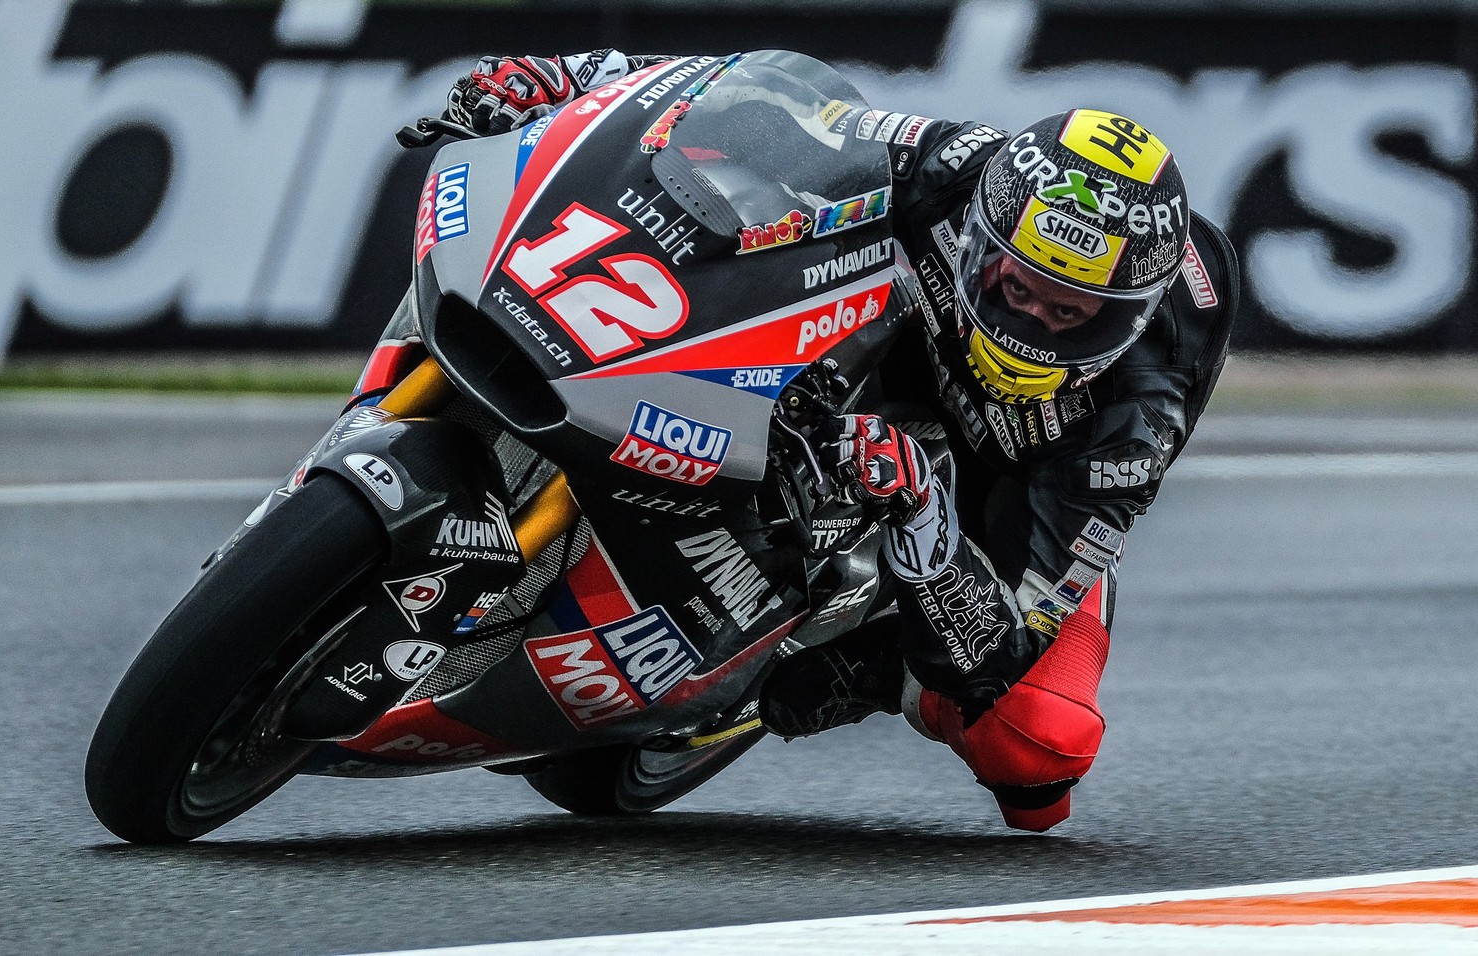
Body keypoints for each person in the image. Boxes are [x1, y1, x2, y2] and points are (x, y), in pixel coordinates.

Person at [441, 51, 1239, 831]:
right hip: (881, 356)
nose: (1029, 326)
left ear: (1127, 318)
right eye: (1016, 286)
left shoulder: (1135, 418)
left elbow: (1002, 646)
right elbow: (755, 107)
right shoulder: (955, 168)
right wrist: (569, 78)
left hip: (1009, 492)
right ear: (985, 230)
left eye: (1070, 314)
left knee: (1037, 750)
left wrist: (924, 511)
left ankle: (832, 671)